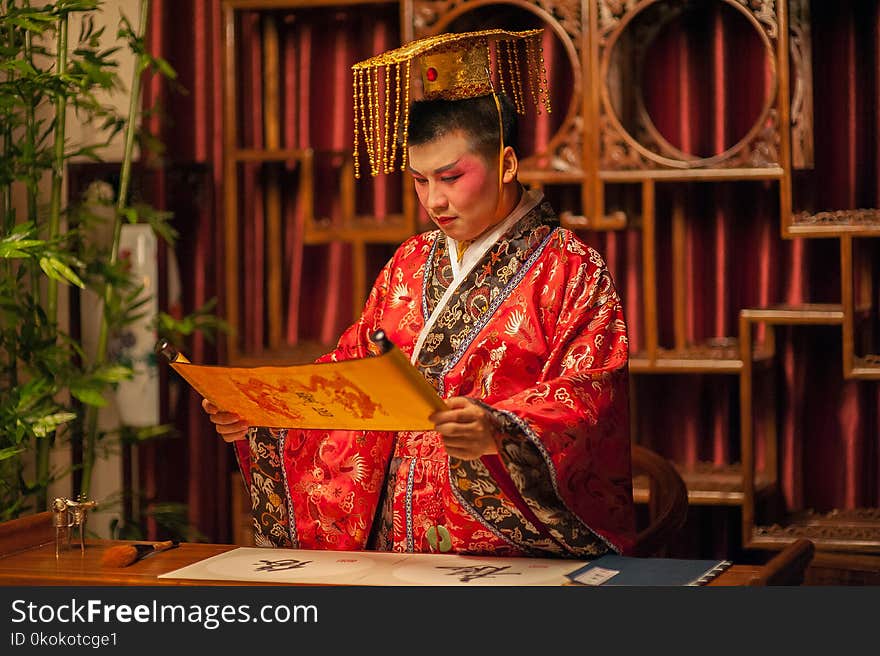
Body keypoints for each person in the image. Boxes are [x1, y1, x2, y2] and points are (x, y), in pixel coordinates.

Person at [203, 28, 636, 558]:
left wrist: (501, 430)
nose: (435, 200)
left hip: (507, 548)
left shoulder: (570, 269)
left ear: (505, 164)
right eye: (419, 180)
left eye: (451, 177)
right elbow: (351, 374)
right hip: (395, 543)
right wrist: (266, 416)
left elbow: (592, 392)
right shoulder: (409, 262)